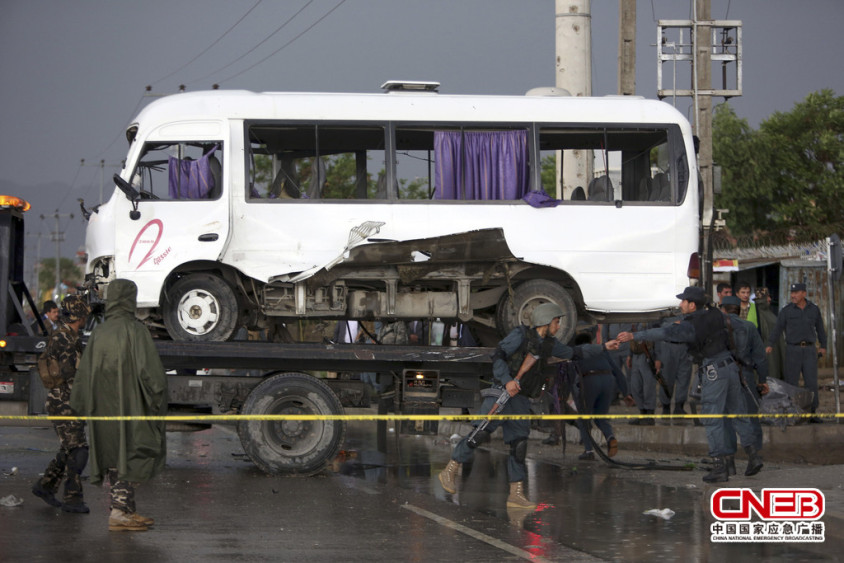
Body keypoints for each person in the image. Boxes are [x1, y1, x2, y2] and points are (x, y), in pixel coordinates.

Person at [437, 303, 618, 508]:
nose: (558, 326)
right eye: (556, 322)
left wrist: (603, 347)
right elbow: (498, 355)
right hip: (502, 392)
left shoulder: (549, 344)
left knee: (519, 444)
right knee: (480, 432)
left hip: (520, 398)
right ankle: (450, 470)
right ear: (546, 321)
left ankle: (516, 495)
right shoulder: (520, 335)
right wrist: (507, 380)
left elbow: (574, 352)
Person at [617, 287, 762, 482]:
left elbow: (663, 333)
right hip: (730, 368)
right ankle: (754, 456)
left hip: (714, 371)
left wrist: (634, 336)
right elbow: (741, 326)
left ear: (692, 305)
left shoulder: (689, 326)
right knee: (739, 413)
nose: (680, 304)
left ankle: (720, 467)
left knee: (712, 418)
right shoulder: (715, 314)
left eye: (683, 301)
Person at [70, 279, 167, 532]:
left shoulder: (99, 332)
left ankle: (126, 510)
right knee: (133, 453)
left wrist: (80, 404)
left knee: (114, 455)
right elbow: (152, 375)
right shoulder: (135, 331)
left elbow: (84, 372)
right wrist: (157, 401)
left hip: (103, 409)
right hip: (132, 407)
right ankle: (118, 513)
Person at [31, 295, 92, 513]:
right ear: (79, 315)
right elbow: (70, 374)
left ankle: (45, 486)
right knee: (79, 449)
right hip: (64, 402)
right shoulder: (65, 339)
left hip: (66, 400)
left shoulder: (68, 335)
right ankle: (72, 498)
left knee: (69, 449)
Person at [719, 296, 770, 475]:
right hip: (746, 376)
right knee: (749, 416)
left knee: (725, 419)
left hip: (723, 377)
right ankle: (754, 456)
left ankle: (729, 462)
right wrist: (762, 380)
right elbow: (761, 358)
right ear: (739, 310)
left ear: (722, 309)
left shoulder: (717, 327)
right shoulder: (749, 327)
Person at [765, 282, 827, 421]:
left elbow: (820, 329)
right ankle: (792, 412)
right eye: (792, 293)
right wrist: (770, 344)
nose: (793, 295)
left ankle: (812, 413)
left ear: (804, 294)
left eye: (796, 293)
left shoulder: (814, 309)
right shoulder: (786, 311)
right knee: (791, 383)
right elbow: (777, 329)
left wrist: (823, 345)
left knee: (811, 382)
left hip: (810, 350)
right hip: (793, 350)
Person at [573, 333, 634, 460]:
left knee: (583, 418)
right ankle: (610, 437)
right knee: (601, 417)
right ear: (590, 341)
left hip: (589, 380)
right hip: (608, 380)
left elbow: (571, 376)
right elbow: (617, 371)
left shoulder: (576, 352)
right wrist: (625, 393)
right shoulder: (601, 351)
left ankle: (589, 451)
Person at [655, 315, 694, 417]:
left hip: (685, 346)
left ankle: (679, 407)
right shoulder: (665, 311)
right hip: (668, 345)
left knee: (684, 378)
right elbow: (658, 329)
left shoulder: (688, 310)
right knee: (667, 378)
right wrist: (657, 355)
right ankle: (666, 407)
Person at [627, 323, 658, 425]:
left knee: (648, 387)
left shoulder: (651, 320)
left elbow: (657, 338)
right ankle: (642, 413)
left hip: (648, 356)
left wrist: (657, 358)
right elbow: (631, 339)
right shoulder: (633, 320)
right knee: (635, 386)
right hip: (636, 356)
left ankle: (649, 414)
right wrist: (630, 355)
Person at [755, 287, 784, 380]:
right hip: (767, 351)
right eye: (767, 297)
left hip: (774, 349)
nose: (770, 299)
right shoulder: (757, 313)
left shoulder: (769, 312)